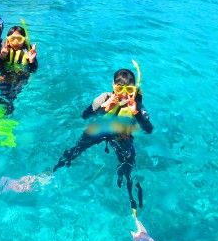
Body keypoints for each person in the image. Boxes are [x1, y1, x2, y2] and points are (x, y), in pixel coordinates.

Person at [52, 68, 153, 214]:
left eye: (129, 90)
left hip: (122, 136)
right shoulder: (104, 98)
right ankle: (52, 171)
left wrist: (136, 113)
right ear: (113, 86)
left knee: (128, 164)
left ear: (134, 89)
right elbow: (84, 116)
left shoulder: (137, 106)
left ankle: (132, 204)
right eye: (119, 89)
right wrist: (102, 109)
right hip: (100, 129)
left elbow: (148, 129)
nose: (124, 94)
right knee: (76, 149)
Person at [0, 25, 38, 115]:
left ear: (24, 40)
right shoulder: (4, 50)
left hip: (22, 76)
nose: (16, 42)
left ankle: (7, 115)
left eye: (19, 39)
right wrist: (2, 57)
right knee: (1, 92)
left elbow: (33, 70)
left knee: (12, 95)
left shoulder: (28, 52)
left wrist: (32, 61)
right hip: (5, 75)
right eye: (13, 38)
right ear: (8, 40)